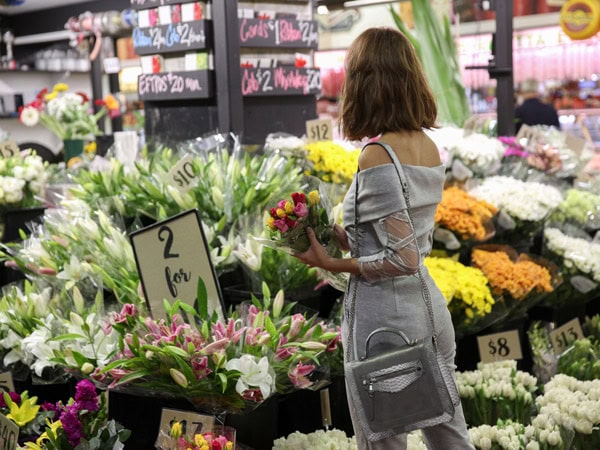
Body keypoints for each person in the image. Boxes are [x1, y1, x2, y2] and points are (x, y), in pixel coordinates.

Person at [294, 27, 474, 449]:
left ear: (364, 83)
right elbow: (397, 235)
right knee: (449, 436)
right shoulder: (427, 146)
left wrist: (330, 264)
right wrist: (335, 235)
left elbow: (402, 257)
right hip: (426, 313)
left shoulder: (377, 153)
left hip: (386, 324)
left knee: (383, 441)